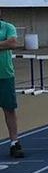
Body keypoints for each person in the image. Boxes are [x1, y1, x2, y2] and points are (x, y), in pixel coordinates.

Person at [0, 10, 24, 158]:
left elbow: (13, 43)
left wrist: (7, 44)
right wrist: (4, 44)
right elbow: (8, 43)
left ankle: (14, 142)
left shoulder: (8, 27)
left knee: (9, 109)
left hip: (5, 75)